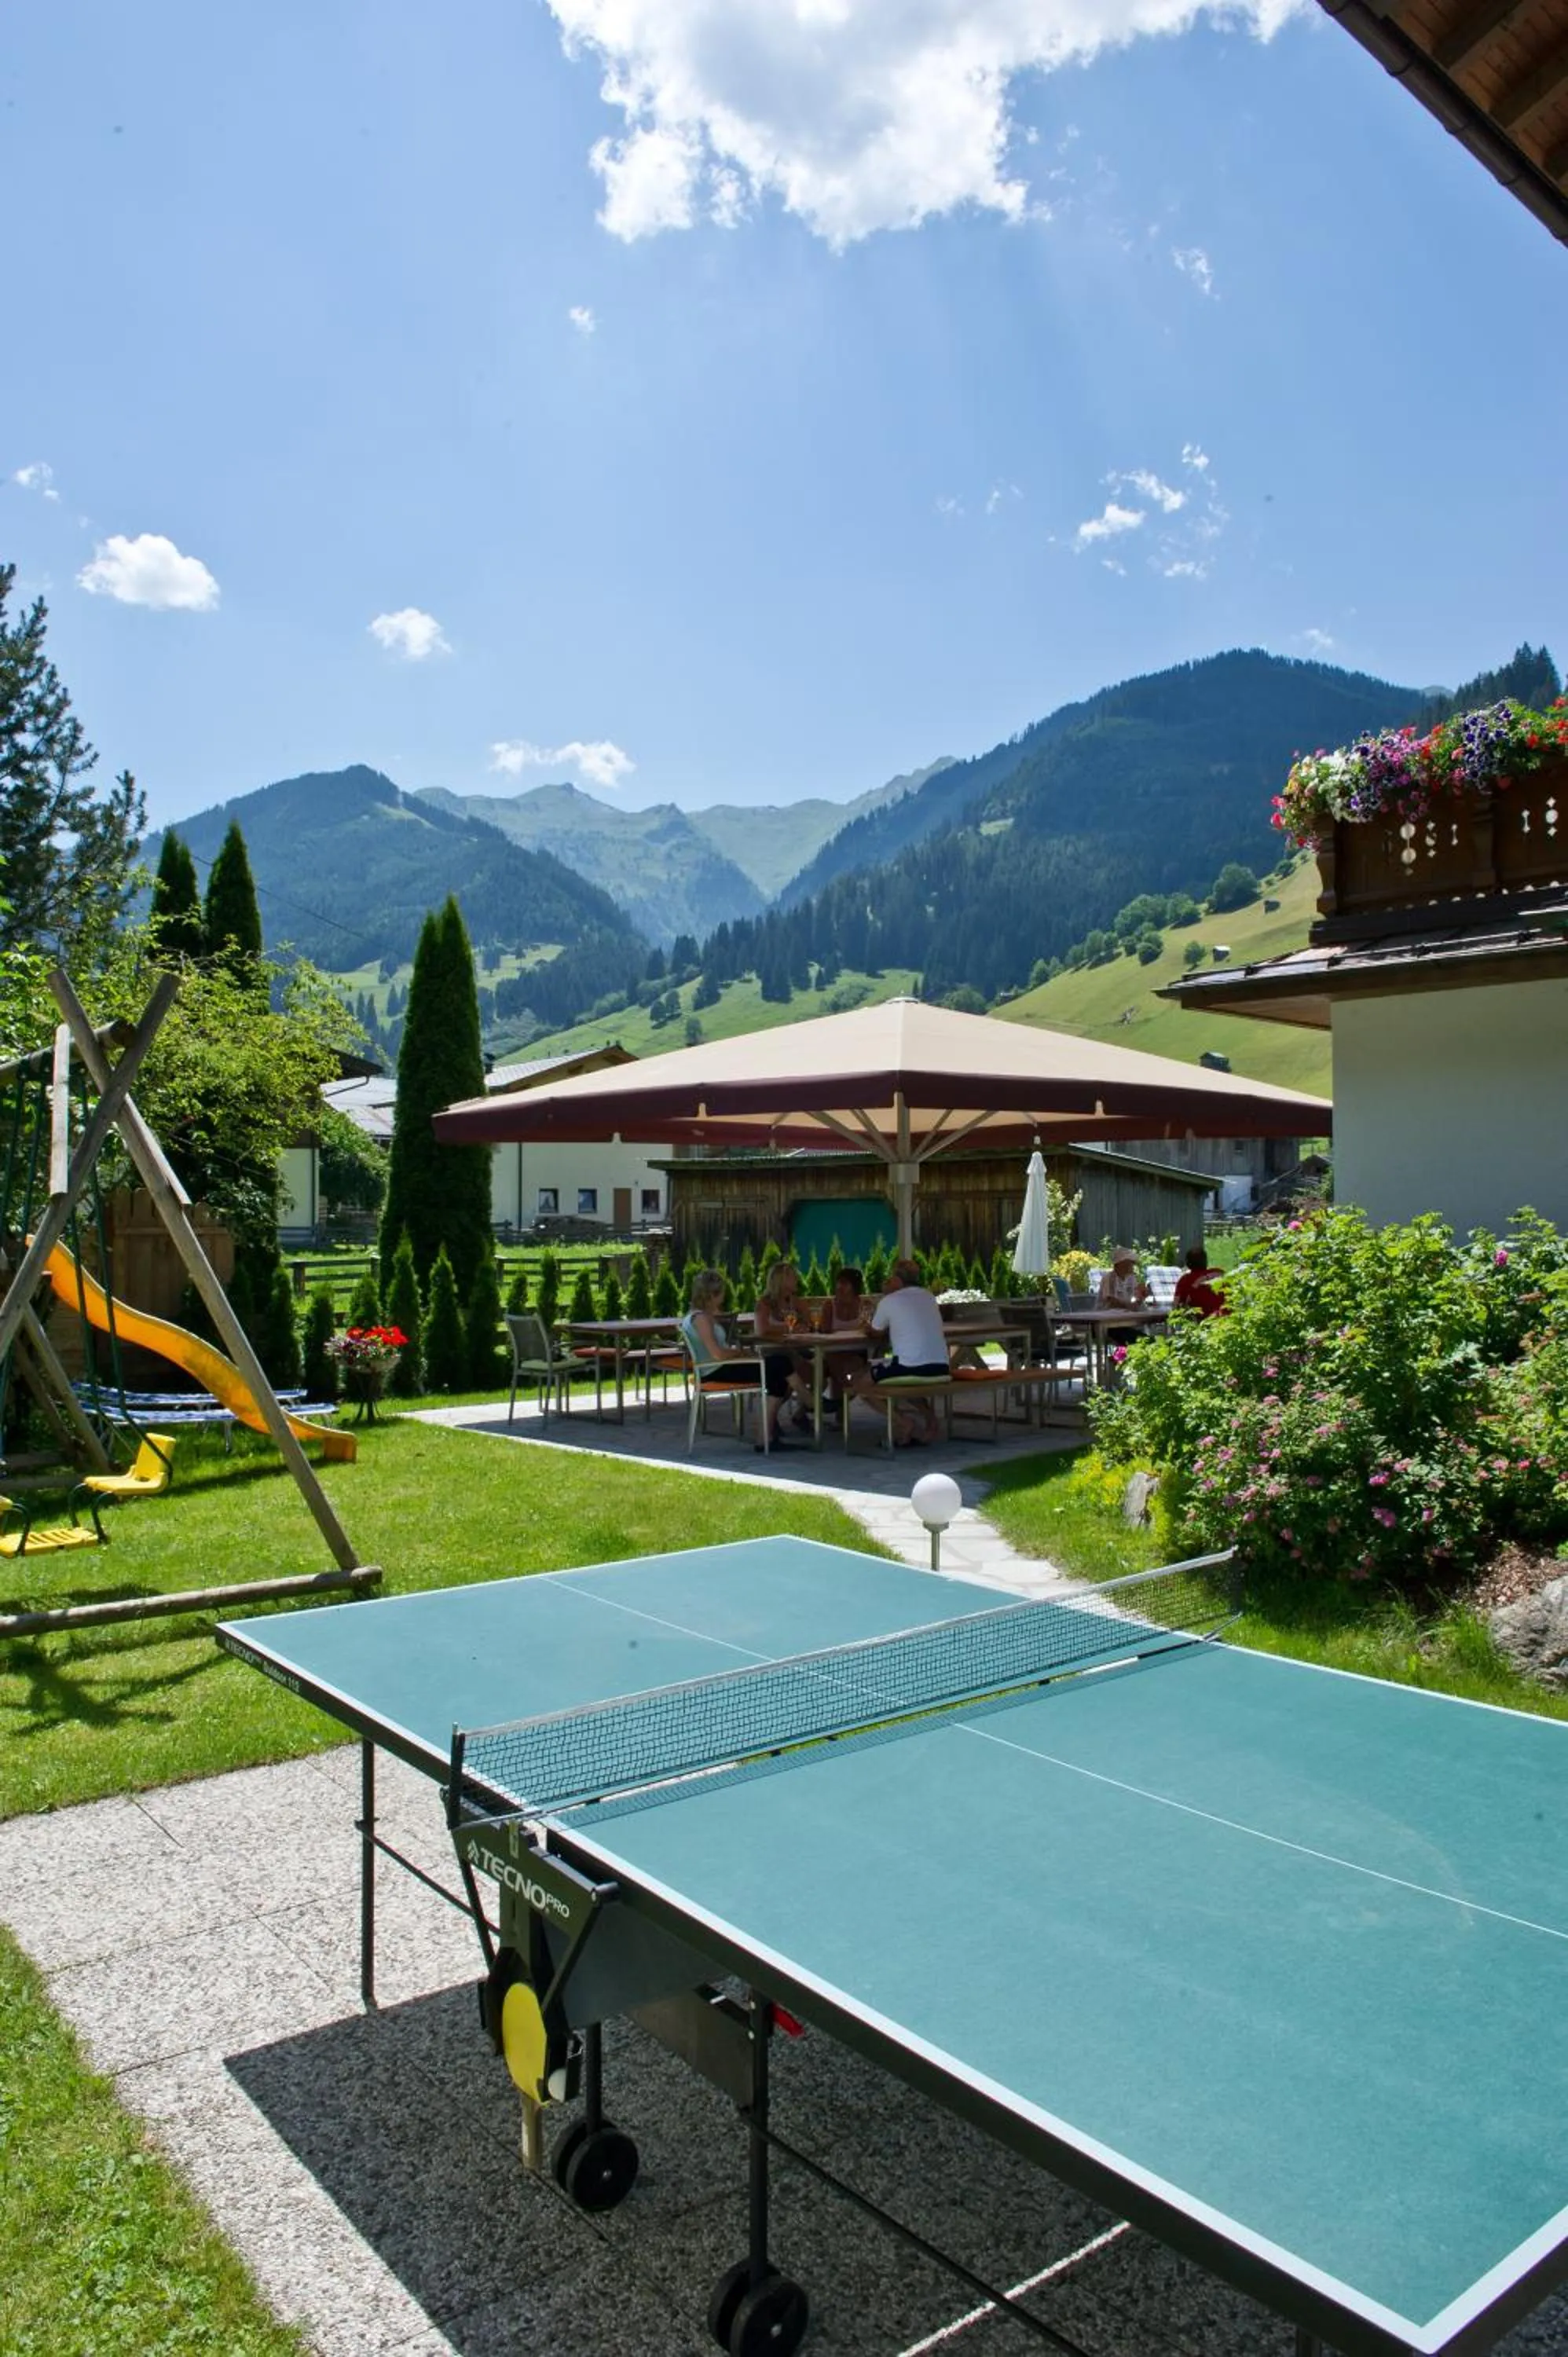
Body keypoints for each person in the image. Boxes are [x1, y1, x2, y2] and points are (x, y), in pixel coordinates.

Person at [680, 1269, 802, 1451]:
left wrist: (741, 1354)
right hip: (715, 1370)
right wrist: (741, 1353)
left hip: (717, 1367)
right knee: (780, 1364)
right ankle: (810, 1403)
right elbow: (718, 1354)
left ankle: (766, 1439)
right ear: (713, 1294)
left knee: (778, 1374)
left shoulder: (698, 1316)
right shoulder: (701, 1319)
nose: (724, 1296)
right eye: (722, 1292)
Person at [847, 1257, 949, 1445]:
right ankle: (931, 1420)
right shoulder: (928, 1296)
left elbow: (875, 1333)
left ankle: (903, 1422)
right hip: (941, 1367)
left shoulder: (890, 1300)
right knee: (902, 1378)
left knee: (859, 1383)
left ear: (897, 1280)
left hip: (909, 1366)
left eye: (891, 1276)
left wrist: (865, 1325)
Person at [749, 1262, 815, 1429]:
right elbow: (761, 1330)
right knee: (790, 1375)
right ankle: (773, 1420)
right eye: (793, 1277)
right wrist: (788, 1328)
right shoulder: (764, 1304)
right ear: (782, 1280)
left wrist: (804, 1326)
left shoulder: (796, 1302)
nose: (797, 1280)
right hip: (771, 1353)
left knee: (820, 1373)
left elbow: (809, 1325)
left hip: (794, 1350)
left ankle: (801, 1411)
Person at [818, 1266, 870, 1409]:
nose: (840, 1287)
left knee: (851, 1366)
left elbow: (869, 1328)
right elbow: (824, 1331)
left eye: (845, 1283)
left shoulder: (863, 1305)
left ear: (855, 1286)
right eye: (839, 1282)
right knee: (832, 1359)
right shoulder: (829, 1305)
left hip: (856, 1351)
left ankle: (841, 1404)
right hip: (832, 1352)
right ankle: (846, 1396)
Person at [1096, 1246, 1150, 1354]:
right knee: (1141, 1342)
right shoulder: (1109, 1278)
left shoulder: (1131, 1278)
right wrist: (1132, 1305)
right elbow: (1112, 1301)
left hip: (1126, 1322)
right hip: (1108, 1324)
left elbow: (1135, 1300)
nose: (1133, 1265)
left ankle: (1127, 1362)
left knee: (1145, 1340)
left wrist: (1142, 1296)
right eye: (1130, 1262)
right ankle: (1122, 1362)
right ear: (1121, 1263)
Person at [1174, 1245, 1227, 1319]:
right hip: (1225, 1318)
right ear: (1205, 1261)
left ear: (1187, 1263)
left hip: (1202, 1322)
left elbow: (1176, 1305)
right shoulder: (1218, 1272)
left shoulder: (1185, 1280)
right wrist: (1205, 1278)